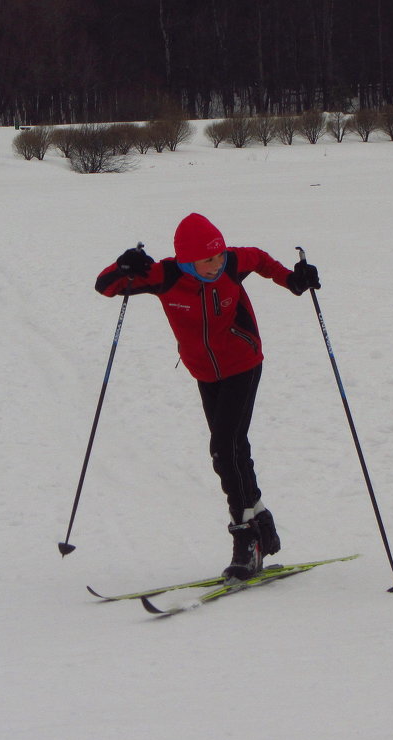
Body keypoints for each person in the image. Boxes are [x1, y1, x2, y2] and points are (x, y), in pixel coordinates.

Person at [95, 212, 321, 579]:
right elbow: (105, 286)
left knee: (223, 448)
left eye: (218, 256)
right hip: (204, 372)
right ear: (186, 260)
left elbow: (260, 259)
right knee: (234, 449)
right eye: (207, 259)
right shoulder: (166, 276)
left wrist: (291, 279)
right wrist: (124, 265)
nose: (216, 265)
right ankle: (260, 518)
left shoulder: (232, 263)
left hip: (243, 363)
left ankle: (246, 536)